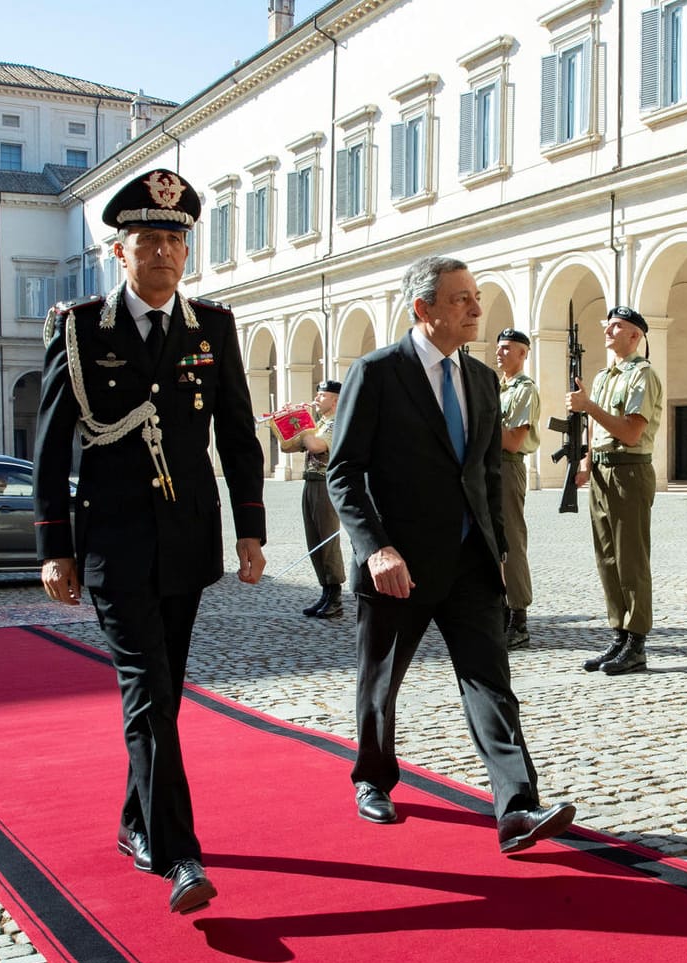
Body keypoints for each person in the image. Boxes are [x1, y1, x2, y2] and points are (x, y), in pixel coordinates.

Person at [33, 168, 267, 915]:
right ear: (120, 253)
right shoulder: (78, 329)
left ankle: (137, 824)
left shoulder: (213, 328)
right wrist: (53, 546)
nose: (164, 251)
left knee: (164, 695)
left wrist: (252, 530)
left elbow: (237, 434)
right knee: (148, 696)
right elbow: (49, 447)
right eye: (148, 239)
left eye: (175, 239)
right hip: (113, 544)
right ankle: (178, 853)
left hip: (187, 541)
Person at [326, 254, 576, 854]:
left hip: (470, 563)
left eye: (476, 295)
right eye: (461, 298)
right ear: (424, 309)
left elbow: (488, 473)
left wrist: (499, 548)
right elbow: (344, 473)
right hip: (398, 566)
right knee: (381, 681)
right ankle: (373, 779)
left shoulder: (484, 380)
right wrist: (376, 548)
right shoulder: (378, 373)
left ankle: (517, 806)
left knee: (491, 682)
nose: (476, 307)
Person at [568, 306, 663, 675]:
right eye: (608, 325)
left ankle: (636, 641)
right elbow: (600, 430)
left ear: (635, 336)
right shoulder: (606, 376)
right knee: (607, 557)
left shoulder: (642, 375)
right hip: (605, 471)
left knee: (631, 559)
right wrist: (588, 460)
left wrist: (588, 405)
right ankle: (619, 633)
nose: (608, 330)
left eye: (617, 326)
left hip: (630, 472)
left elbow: (630, 431)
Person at [279, 380, 345, 618]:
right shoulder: (320, 423)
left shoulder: (336, 423)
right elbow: (288, 447)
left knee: (327, 541)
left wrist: (301, 421)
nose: (316, 399)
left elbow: (316, 446)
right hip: (311, 482)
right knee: (313, 539)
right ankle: (325, 592)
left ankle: (335, 595)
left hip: (326, 485)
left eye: (322, 396)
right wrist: (287, 420)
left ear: (335, 400)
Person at [496, 329, 541, 648]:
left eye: (508, 348)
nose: (500, 353)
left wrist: (481, 421)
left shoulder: (524, 390)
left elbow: (513, 440)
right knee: (488, 544)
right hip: (486, 468)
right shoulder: (497, 388)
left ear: (524, 354)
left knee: (511, 540)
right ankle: (496, 610)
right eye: (498, 348)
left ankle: (519, 618)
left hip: (507, 468)